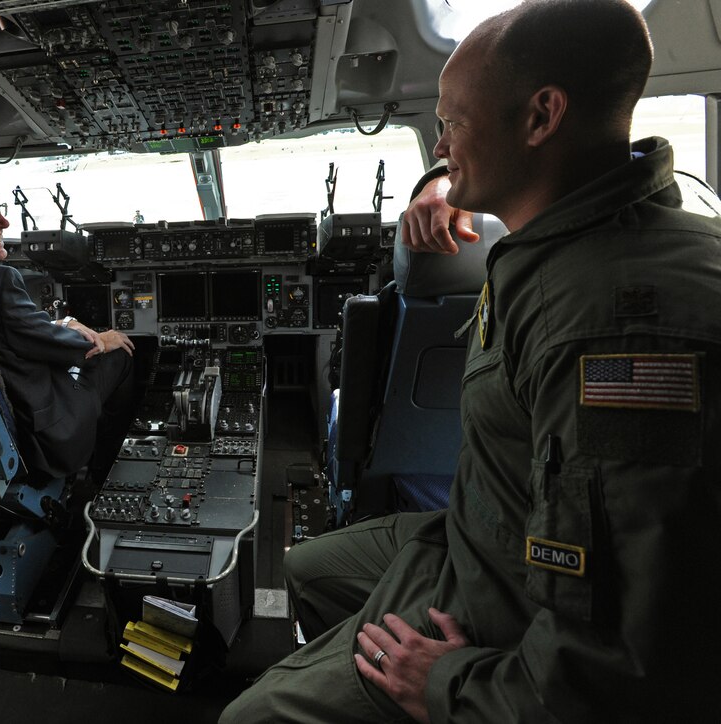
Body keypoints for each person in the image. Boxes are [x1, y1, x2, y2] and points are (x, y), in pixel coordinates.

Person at [221, 1, 721, 722]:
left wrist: (450, 684)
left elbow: (635, 652)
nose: (438, 142)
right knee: (304, 566)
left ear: (541, 117)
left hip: (512, 622)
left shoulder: (621, 327)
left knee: (247, 720)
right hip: (475, 535)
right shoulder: (555, 238)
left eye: (451, 123)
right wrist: (436, 186)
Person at [0, 170, 135, 482]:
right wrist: (101, 338)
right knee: (120, 355)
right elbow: (54, 345)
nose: (2, 223)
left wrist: (60, 323)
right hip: (39, 438)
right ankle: (99, 474)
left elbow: (16, 333)